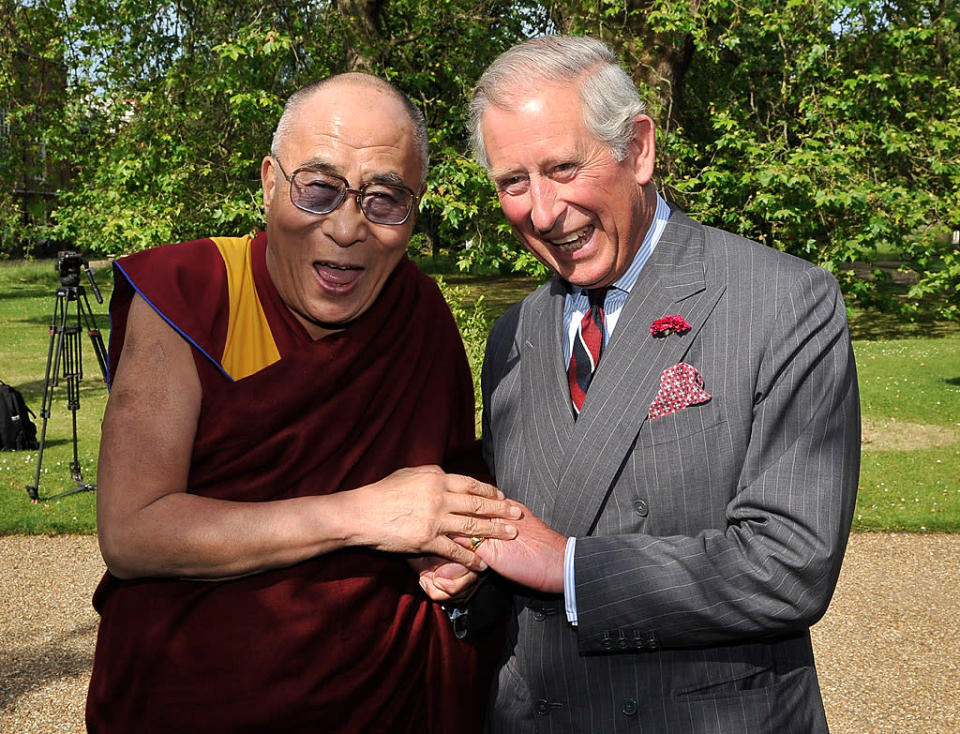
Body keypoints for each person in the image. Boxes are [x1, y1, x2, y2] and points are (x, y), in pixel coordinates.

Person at [86, 72, 520, 733]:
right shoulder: (191, 294)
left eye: (385, 200)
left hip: (385, 695)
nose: (347, 228)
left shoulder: (417, 311)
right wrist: (360, 515)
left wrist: (458, 548)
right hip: (199, 698)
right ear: (268, 182)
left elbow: (454, 479)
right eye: (319, 190)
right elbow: (133, 532)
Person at [466, 35, 860, 732]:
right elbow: (516, 547)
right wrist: (467, 578)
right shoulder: (515, 336)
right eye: (512, 182)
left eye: (563, 167)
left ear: (639, 149)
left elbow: (789, 564)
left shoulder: (782, 301)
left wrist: (572, 568)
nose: (543, 211)